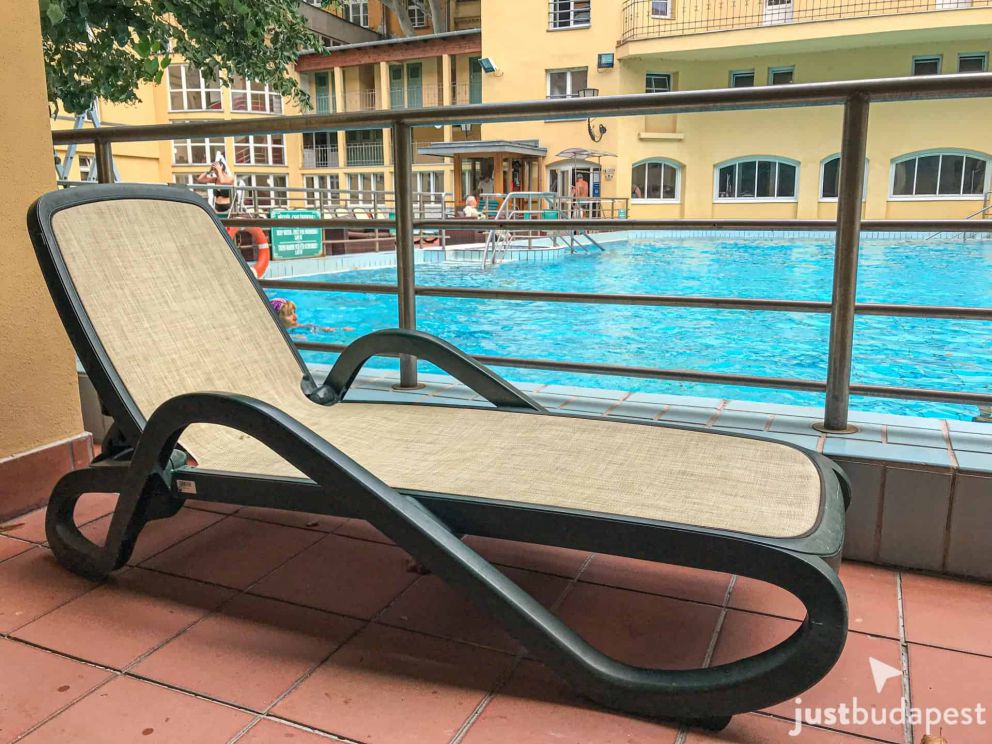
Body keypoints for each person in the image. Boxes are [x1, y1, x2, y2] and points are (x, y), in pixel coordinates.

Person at [270, 298, 353, 334]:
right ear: (276, 318)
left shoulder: (299, 327)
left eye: (294, 312)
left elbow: (318, 328)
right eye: (289, 314)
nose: (295, 317)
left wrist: (340, 329)